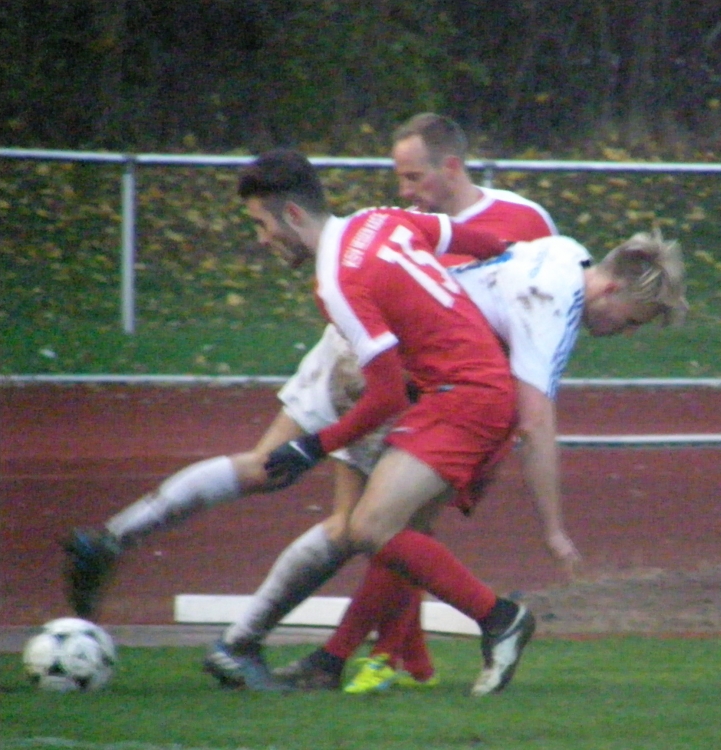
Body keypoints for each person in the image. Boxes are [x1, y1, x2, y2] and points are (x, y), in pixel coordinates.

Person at [63, 114, 566, 689]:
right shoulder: (381, 220)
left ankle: (123, 542)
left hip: (422, 382)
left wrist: (314, 446)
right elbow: (476, 243)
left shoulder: (340, 279)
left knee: (328, 504)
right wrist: (513, 267)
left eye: (261, 225)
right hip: (427, 382)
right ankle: (251, 644)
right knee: (358, 525)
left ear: (295, 215)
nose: (262, 240)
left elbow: (383, 388)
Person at [264, 227, 687, 694]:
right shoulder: (552, 303)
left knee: (389, 530)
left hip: (443, 382)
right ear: (611, 288)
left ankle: (363, 654)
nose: (627, 332)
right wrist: (553, 530)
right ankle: (476, 625)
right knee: (388, 530)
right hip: (454, 390)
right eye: (632, 319)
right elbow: (536, 425)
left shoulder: (566, 251)